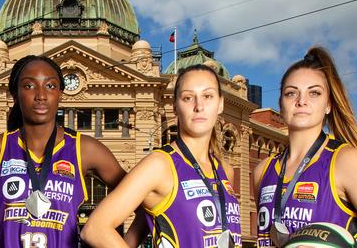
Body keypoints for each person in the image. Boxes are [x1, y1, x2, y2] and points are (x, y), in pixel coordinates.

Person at [0, 55, 136, 247]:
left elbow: (145, 203)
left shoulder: (85, 149)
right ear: (15, 95)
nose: (41, 95)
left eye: (50, 86)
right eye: (29, 86)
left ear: (60, 94)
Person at [253, 46, 357, 248]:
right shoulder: (262, 171)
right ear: (281, 104)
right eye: (291, 93)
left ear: (328, 105)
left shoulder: (349, 162)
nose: (302, 101)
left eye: (314, 93)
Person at [81, 64, 242, 247]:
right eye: (188, 98)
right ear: (175, 107)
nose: (199, 106)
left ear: (220, 104)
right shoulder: (159, 165)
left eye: (208, 96)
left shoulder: (225, 170)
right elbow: (95, 229)